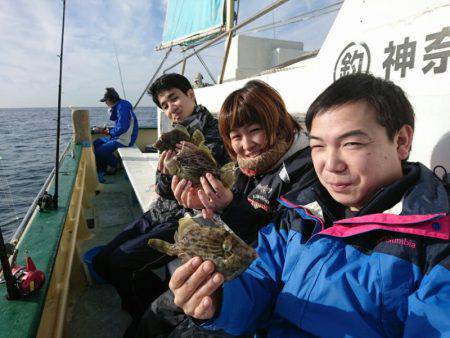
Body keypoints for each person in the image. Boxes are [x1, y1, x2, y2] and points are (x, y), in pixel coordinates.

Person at [168, 73, 450, 337]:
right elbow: (259, 278)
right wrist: (218, 300)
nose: (330, 165)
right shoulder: (300, 212)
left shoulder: (436, 244)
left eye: (350, 143)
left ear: (401, 141)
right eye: (318, 146)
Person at [136, 80, 316, 337]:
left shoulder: (306, 169)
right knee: (155, 314)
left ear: (278, 123)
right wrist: (204, 206)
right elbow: (229, 223)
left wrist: (229, 207)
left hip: (257, 288)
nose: (246, 144)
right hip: (226, 267)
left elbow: (278, 243)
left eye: (255, 130)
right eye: (236, 137)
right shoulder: (244, 167)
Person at [91, 73, 228, 338]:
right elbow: (164, 188)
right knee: (101, 261)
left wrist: (189, 163)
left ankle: (145, 317)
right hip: (158, 211)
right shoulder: (173, 137)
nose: (170, 108)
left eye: (174, 98)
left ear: (191, 95)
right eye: (164, 105)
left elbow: (205, 185)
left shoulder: (214, 133)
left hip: (185, 220)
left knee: (120, 262)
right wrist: (165, 172)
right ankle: (148, 302)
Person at [94, 87, 139, 183]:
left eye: (106, 101)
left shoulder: (122, 108)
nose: (105, 103)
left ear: (111, 99)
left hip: (125, 140)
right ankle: (104, 168)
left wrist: (106, 131)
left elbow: (122, 128)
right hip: (119, 137)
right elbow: (120, 126)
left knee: (99, 152)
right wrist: (106, 130)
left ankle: (115, 164)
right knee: (96, 142)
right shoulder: (120, 106)